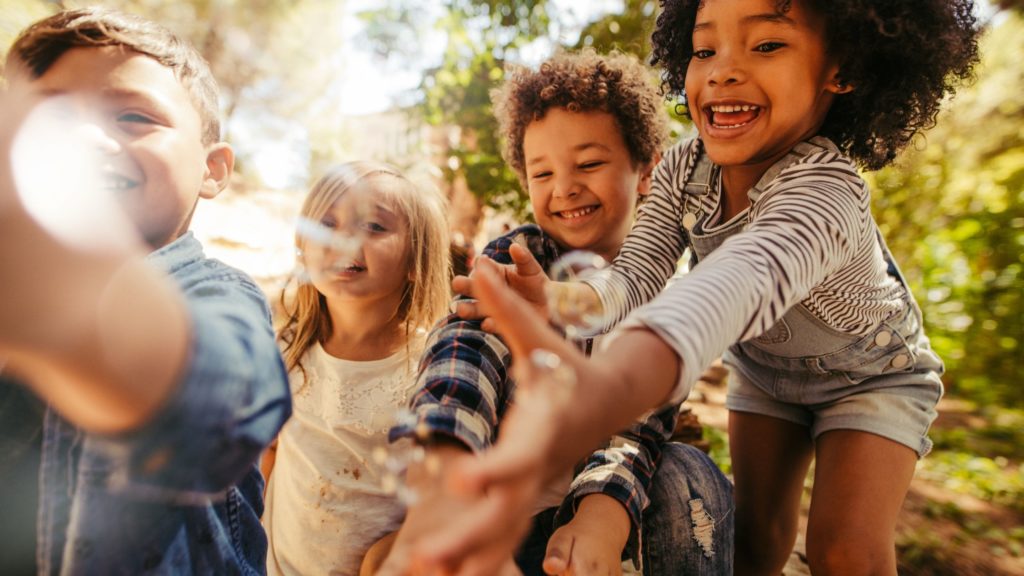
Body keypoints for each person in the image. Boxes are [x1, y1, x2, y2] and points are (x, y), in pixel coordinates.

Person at [422, 1, 983, 575]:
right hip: (766, 373)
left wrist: (617, 382)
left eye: (766, 46)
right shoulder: (682, 170)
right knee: (755, 539)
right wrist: (562, 301)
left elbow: (736, 282)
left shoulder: (825, 192)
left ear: (842, 68)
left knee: (846, 550)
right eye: (704, 50)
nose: (722, 72)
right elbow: (636, 276)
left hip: (871, 375)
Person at [371, 50, 733, 576]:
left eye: (589, 164)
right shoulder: (517, 259)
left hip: (604, 520)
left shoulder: (658, 293)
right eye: (542, 173)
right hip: (497, 513)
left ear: (648, 170)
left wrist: (601, 516)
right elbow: (464, 353)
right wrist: (447, 463)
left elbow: (637, 423)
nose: (564, 188)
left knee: (690, 473)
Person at [0, 8, 291, 575]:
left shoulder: (218, 292)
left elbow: (227, 413)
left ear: (212, 170)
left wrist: (69, 308)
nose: (82, 137)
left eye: (133, 116)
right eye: (48, 115)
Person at [261, 161, 451, 575]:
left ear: (416, 260)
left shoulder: (436, 363)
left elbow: (451, 484)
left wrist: (403, 545)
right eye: (327, 224)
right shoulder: (286, 350)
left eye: (375, 227)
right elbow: (269, 451)